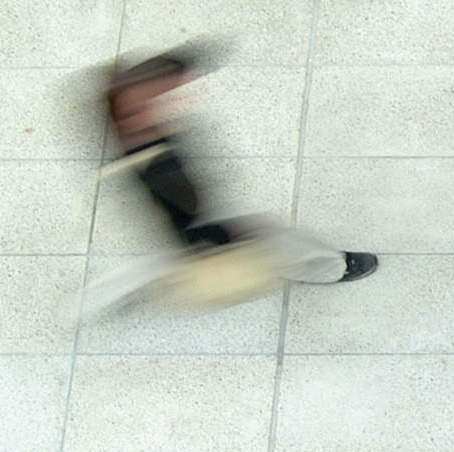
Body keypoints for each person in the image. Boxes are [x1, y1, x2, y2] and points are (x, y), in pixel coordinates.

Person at [87, 46, 376, 312]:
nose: (175, 101)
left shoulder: (133, 135)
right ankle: (335, 267)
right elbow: (187, 215)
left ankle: (97, 302)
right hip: (200, 229)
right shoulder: (161, 170)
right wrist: (227, 236)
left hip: (183, 225)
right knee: (280, 240)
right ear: (131, 112)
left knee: (164, 266)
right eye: (159, 99)